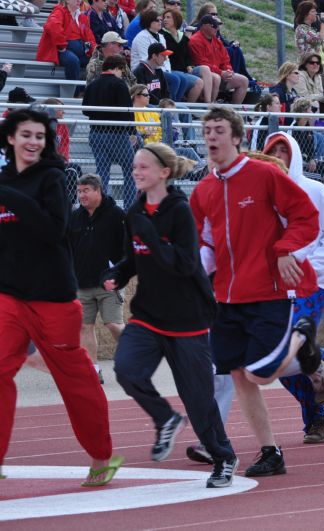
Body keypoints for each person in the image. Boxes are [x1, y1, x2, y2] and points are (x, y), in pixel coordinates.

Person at [189, 106, 324, 478]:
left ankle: (311, 353)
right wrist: (193, 272)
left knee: (259, 374)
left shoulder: (264, 176)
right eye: (207, 130)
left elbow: (307, 217)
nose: (211, 137)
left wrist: (287, 249)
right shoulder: (204, 189)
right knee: (236, 374)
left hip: (268, 292)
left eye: (219, 130)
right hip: (225, 299)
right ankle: (271, 452)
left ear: (236, 138)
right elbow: (205, 243)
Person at [102, 142, 239, 487]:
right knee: (127, 370)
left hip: (187, 320)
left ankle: (223, 457)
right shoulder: (134, 212)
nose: (136, 172)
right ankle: (165, 419)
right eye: (134, 166)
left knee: (198, 401)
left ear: (163, 172)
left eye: (143, 167)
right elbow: (133, 258)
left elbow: (185, 264)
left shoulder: (179, 211)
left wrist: (151, 235)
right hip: (149, 315)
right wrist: (118, 274)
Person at [0, 108, 122, 486]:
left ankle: (102, 455)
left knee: (74, 379)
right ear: (11, 139)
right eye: (26, 135)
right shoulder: (3, 178)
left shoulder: (53, 177)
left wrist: (7, 196)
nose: (34, 141)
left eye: (39, 135)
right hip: (9, 296)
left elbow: (53, 230)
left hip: (53, 297)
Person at [262, 132, 324, 443]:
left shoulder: (314, 190)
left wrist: (310, 267)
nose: (280, 156)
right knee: (276, 359)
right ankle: (319, 416)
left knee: (286, 352)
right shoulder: (264, 195)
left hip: (313, 284)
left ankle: (320, 396)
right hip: (275, 287)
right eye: (274, 151)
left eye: (284, 150)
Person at [69, 174, 126, 384]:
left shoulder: (116, 214)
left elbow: (127, 248)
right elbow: (67, 248)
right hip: (82, 283)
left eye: (86, 191)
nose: (81, 195)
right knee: (86, 327)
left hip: (109, 283)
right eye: (79, 191)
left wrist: (119, 272)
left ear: (98, 191)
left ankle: (134, 355)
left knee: (114, 324)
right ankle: (93, 370)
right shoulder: (75, 217)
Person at [82, 54, 137, 208]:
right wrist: (132, 131)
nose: (122, 74)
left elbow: (85, 110)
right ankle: (130, 206)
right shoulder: (119, 84)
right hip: (117, 134)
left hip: (96, 133)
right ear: (117, 68)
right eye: (122, 70)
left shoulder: (93, 84)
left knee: (102, 173)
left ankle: (101, 207)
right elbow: (127, 111)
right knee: (130, 169)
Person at [131, 9, 203, 103]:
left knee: (183, 80)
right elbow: (146, 59)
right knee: (175, 79)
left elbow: (166, 58)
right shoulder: (141, 37)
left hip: (160, 69)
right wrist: (165, 71)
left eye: (161, 20)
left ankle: (174, 104)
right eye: (157, 20)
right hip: (145, 71)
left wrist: (167, 70)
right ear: (149, 22)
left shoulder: (160, 36)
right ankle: (168, 105)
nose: (160, 22)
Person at [293, 0, 324, 113]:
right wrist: (323, 23)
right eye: (314, 11)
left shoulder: (312, 30)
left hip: (318, 68)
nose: (316, 14)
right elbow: (318, 40)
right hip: (307, 68)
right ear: (306, 14)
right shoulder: (301, 29)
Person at [36, 0, 96, 91]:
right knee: (73, 61)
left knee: (96, 62)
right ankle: (74, 93)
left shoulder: (82, 17)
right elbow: (52, 26)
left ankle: (88, 92)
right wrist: (62, 46)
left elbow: (90, 37)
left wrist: (95, 51)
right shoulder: (59, 11)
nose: (79, 1)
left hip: (80, 50)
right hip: (61, 50)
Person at [188, 15, 247, 104]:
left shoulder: (217, 41)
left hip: (219, 73)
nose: (217, 28)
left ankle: (234, 113)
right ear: (204, 25)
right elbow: (201, 63)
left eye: (218, 25)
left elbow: (225, 59)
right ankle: (210, 106)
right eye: (214, 25)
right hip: (202, 74)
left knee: (243, 80)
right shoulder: (195, 40)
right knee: (216, 77)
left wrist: (228, 71)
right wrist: (221, 72)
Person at [162, 8, 217, 103]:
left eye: (168, 17)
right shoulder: (162, 35)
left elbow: (187, 54)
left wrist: (189, 65)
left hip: (184, 69)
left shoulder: (181, 35)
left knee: (205, 69)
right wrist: (186, 39)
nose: (165, 20)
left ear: (176, 20)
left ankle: (208, 103)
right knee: (199, 82)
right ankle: (189, 108)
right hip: (172, 69)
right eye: (164, 18)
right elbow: (172, 53)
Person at [289, 98, 324, 202]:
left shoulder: (308, 128)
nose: (312, 112)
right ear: (304, 112)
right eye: (310, 109)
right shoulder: (293, 129)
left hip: (307, 163)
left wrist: (312, 159)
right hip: (298, 166)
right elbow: (293, 152)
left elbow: (310, 149)